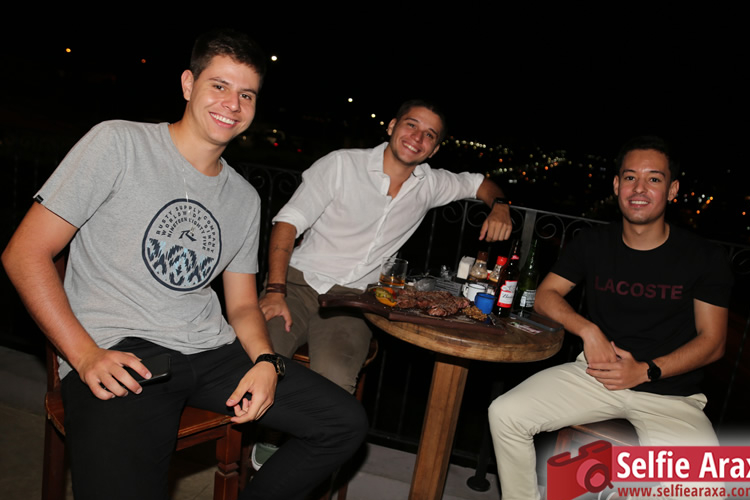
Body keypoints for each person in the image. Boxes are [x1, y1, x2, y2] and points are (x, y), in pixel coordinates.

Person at [1, 29, 366, 500]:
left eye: (247, 94)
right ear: (188, 84)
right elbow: (24, 253)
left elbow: (242, 306)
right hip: (121, 351)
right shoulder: (119, 143)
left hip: (211, 350)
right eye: (220, 85)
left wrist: (266, 361)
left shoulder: (243, 197)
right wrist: (84, 354)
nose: (232, 104)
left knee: (342, 423)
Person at [488, 136, 734, 500]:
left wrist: (645, 371)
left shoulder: (703, 257)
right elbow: (545, 295)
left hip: (670, 394)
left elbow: (713, 343)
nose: (639, 188)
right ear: (617, 185)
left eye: (654, 179)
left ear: (672, 190)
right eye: (630, 177)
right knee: (505, 413)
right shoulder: (594, 243)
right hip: (595, 375)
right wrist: (589, 331)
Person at [259, 99, 514, 394]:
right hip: (295, 285)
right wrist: (275, 290)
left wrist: (501, 205)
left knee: (335, 385)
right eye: (411, 125)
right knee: (261, 361)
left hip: (353, 301)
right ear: (392, 126)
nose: (417, 138)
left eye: (429, 135)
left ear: (434, 149)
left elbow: (480, 183)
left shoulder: (430, 184)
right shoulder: (341, 164)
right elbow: (287, 224)